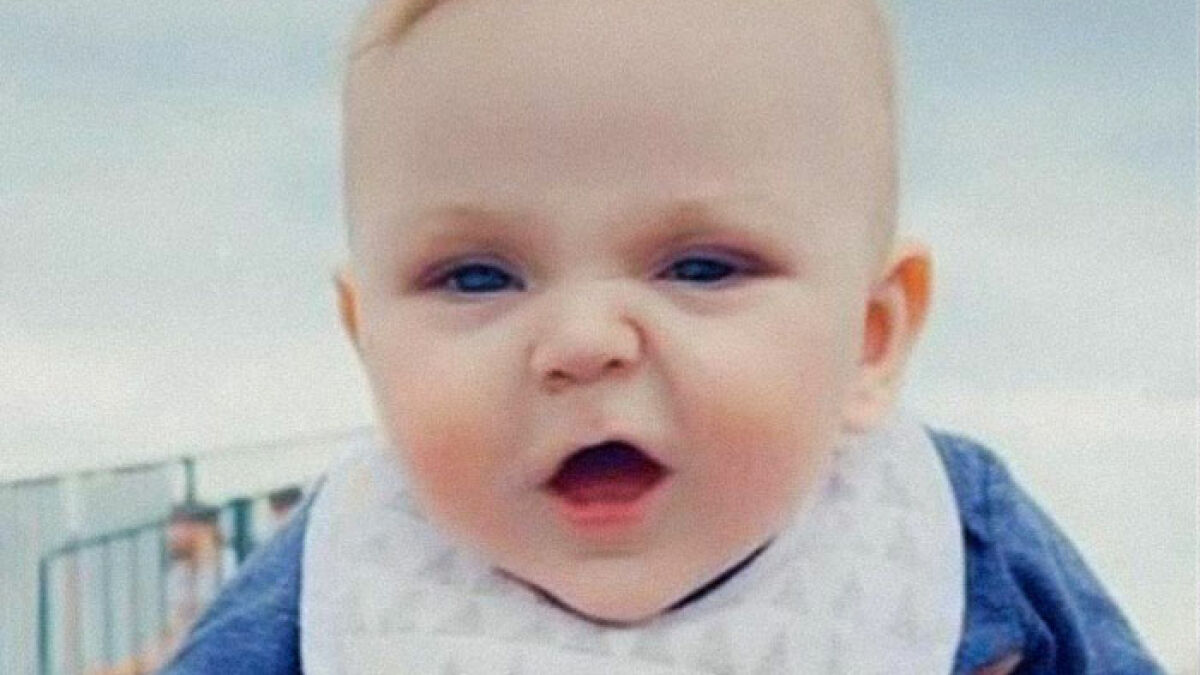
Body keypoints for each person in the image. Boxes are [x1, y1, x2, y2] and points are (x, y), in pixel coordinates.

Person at [162, 0, 1161, 672]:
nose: (584, 342)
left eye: (701, 267)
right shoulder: (352, 568)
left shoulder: (944, 534)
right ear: (367, 338)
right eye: (475, 275)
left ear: (870, 338)